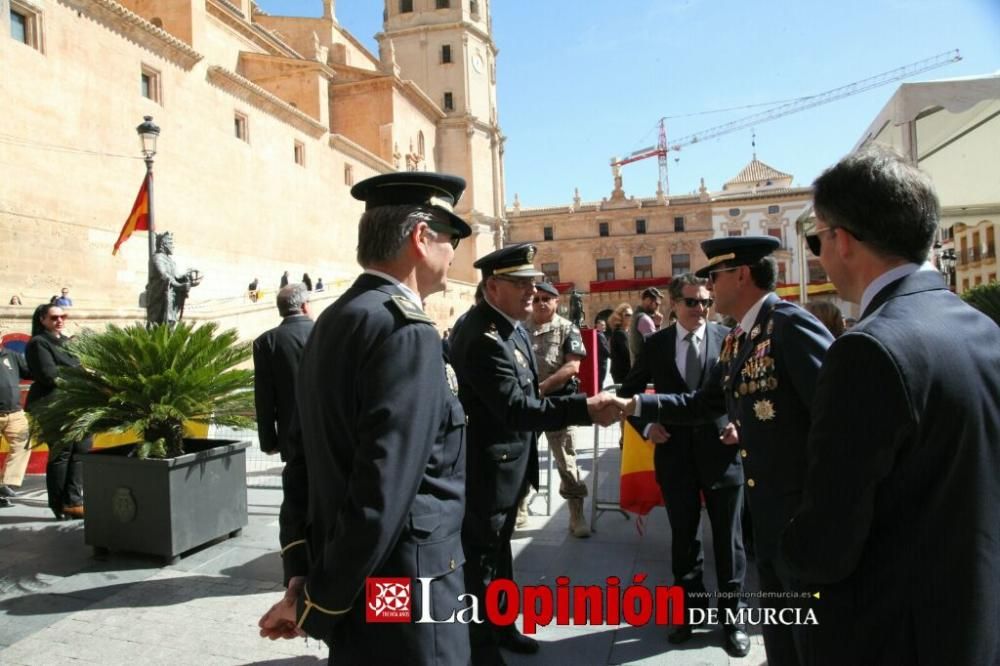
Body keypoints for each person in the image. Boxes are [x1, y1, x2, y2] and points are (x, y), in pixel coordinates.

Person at [780, 147, 1000, 666]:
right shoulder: (982, 328)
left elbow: (828, 541)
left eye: (817, 238)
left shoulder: (868, 349)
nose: (818, 254)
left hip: (890, 635)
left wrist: (781, 549)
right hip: (970, 624)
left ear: (844, 241)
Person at [257, 172, 473, 664]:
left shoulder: (336, 319)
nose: (455, 252)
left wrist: (303, 577)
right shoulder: (406, 332)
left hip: (353, 579)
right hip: (405, 588)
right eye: (452, 237)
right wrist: (316, 603)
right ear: (421, 237)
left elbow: (301, 462)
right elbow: (383, 489)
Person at [627, 236, 834, 666]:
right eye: (695, 294)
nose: (706, 296)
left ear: (740, 275)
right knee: (782, 635)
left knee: (800, 627)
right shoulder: (745, 335)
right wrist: (637, 408)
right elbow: (708, 402)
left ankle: (732, 619)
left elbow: (835, 416)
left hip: (790, 502)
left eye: (713, 279)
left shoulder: (787, 324)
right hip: (745, 490)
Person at [448, 243, 624, 665]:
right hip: (488, 470)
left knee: (500, 553)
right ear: (492, 286)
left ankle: (503, 628)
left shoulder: (511, 326)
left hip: (509, 466)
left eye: (534, 282)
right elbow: (516, 408)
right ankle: (482, 648)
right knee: (482, 565)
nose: (533, 290)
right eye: (522, 283)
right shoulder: (482, 336)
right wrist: (584, 408)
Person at [618, 273, 748, 657]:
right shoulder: (656, 344)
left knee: (729, 540)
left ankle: (733, 618)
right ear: (673, 304)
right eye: (692, 302)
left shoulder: (728, 338)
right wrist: (646, 425)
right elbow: (630, 392)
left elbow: (747, 389)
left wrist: (740, 425)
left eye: (706, 302)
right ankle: (690, 613)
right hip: (675, 456)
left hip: (722, 454)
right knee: (684, 538)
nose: (700, 310)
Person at [525, 282, 590, 537]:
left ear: (556, 301)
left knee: (567, 461)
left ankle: (576, 514)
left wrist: (543, 387)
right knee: (521, 459)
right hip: (526, 404)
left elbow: (573, 366)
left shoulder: (567, 328)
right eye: (537, 298)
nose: (541, 303)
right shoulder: (521, 328)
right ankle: (519, 508)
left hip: (557, 403)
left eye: (547, 299)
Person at [25, 304, 92, 520]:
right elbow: (49, 375)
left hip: (74, 404)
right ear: (42, 319)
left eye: (63, 316)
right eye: (54, 317)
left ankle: (73, 500)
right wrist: (80, 375)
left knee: (81, 449)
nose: (60, 320)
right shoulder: (39, 343)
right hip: (52, 406)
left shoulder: (66, 342)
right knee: (61, 454)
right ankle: (58, 504)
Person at [0, 338, 32, 508]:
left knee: (23, 444)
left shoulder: (11, 355)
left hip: (15, 413)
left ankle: (5, 485)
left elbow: (31, 371)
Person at [146, 231, 202, 326]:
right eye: (170, 243)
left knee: (170, 324)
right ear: (163, 244)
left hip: (170, 298)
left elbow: (176, 276)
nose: (173, 246)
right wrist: (180, 286)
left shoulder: (170, 261)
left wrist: (188, 277)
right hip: (159, 298)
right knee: (157, 325)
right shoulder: (157, 258)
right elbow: (164, 276)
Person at [628, 286, 662, 363]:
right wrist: (658, 326)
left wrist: (657, 325)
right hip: (645, 369)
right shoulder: (645, 319)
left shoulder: (636, 315)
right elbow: (656, 346)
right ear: (648, 300)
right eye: (656, 304)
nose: (658, 307)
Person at [608, 302, 633, 384]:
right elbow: (628, 353)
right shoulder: (620, 333)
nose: (630, 317)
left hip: (620, 373)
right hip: (624, 374)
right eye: (627, 315)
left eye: (631, 315)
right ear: (620, 317)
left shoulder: (621, 332)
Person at [594, 314, 611, 388]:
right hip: (601, 361)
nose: (604, 326)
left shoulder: (601, 334)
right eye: (602, 325)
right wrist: (611, 355)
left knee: (601, 380)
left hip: (602, 360)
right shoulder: (599, 335)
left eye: (605, 325)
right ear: (597, 325)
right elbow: (604, 348)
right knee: (600, 379)